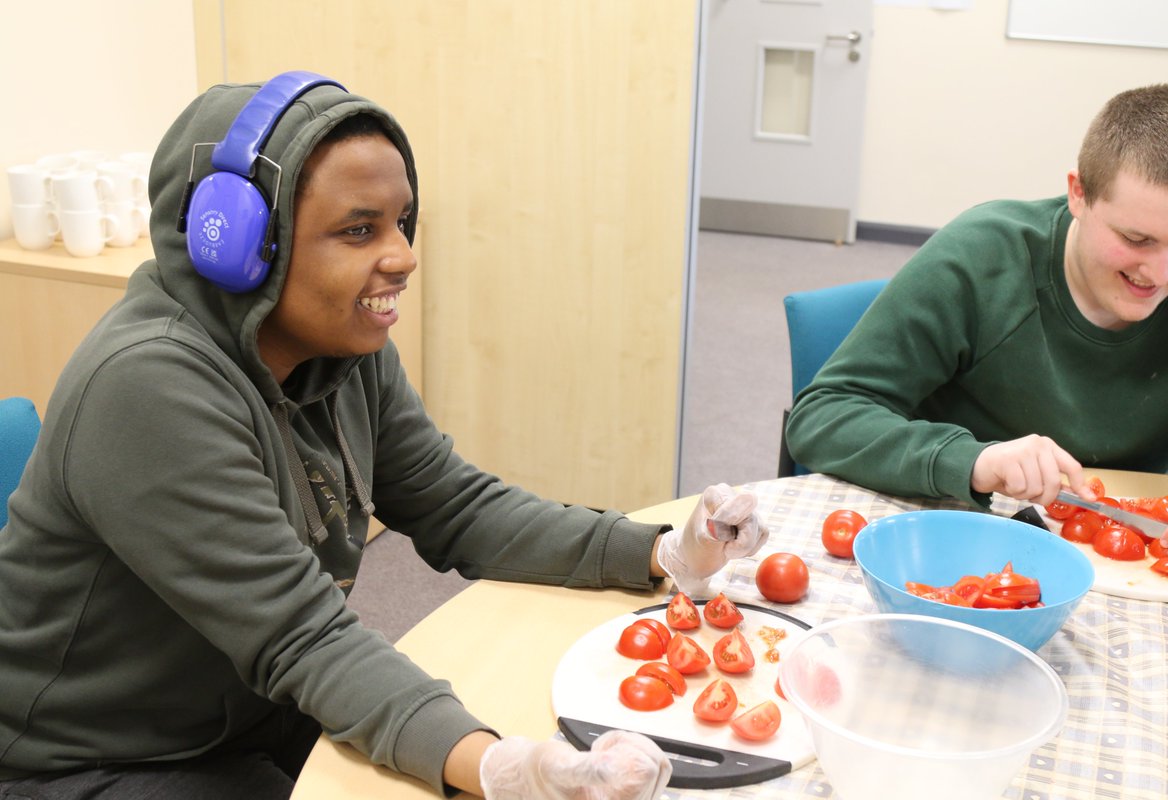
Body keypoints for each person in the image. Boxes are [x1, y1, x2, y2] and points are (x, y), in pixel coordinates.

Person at [0, 72, 768, 799]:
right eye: (358, 229)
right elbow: (302, 637)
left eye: (401, 222)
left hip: (248, 702)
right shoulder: (146, 387)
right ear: (235, 247)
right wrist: (501, 767)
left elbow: (459, 509)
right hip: (91, 756)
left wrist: (660, 550)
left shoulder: (341, 345)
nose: (401, 256)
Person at [785, 83, 1168, 563]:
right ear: (1079, 194)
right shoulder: (979, 259)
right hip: (952, 544)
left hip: (1127, 561)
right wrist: (974, 459)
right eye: (1136, 238)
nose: (1159, 271)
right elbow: (822, 416)